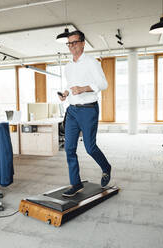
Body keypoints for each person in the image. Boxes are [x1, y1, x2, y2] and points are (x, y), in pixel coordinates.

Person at [59, 30, 112, 197]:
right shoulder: (68, 66)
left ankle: (106, 167)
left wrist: (83, 88)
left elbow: (103, 84)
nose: (72, 46)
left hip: (88, 109)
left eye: (74, 42)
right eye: (69, 43)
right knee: (69, 148)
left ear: (82, 43)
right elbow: (70, 85)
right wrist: (66, 93)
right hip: (72, 111)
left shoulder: (91, 62)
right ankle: (76, 183)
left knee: (90, 147)